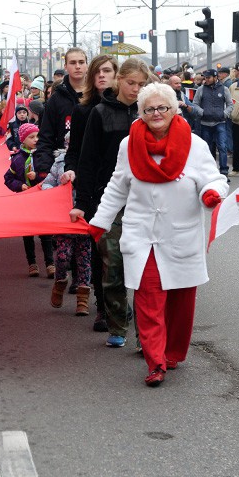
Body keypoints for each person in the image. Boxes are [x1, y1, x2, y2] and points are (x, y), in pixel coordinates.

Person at [87, 83, 228, 387]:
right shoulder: (129, 145)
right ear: (141, 114)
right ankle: (155, 361)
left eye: (162, 107)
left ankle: (173, 352)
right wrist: (100, 221)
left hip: (181, 236)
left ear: (174, 109)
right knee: (148, 299)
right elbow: (117, 186)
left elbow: (212, 178)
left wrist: (211, 193)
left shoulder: (194, 144)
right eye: (148, 109)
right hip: (142, 235)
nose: (155, 114)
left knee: (180, 301)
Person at [71, 58, 150, 348]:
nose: (136, 89)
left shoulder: (150, 113)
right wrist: (83, 202)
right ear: (119, 81)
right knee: (112, 267)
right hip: (109, 200)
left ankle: (148, 336)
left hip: (145, 201)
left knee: (144, 271)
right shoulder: (100, 113)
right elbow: (87, 160)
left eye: (142, 84)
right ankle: (118, 324)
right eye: (131, 83)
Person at [62, 54, 117, 330]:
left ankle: (121, 301)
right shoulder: (84, 111)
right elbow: (77, 152)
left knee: (125, 251)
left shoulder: (129, 108)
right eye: (98, 72)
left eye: (108, 71)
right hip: (96, 187)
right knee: (100, 249)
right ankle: (104, 306)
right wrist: (71, 170)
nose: (103, 76)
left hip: (128, 189)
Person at [41, 147, 92, 315]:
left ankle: (82, 300)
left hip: (85, 220)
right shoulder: (60, 162)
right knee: (63, 256)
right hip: (64, 221)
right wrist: (59, 190)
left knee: (84, 260)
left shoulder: (91, 160)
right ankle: (60, 282)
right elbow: (46, 184)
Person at [3, 123, 54, 278]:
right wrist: (21, 185)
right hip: (25, 202)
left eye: (37, 136)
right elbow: (8, 178)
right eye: (31, 137)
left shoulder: (43, 156)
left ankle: (50, 263)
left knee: (46, 233)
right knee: (28, 233)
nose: (35, 140)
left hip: (41, 201)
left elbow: (50, 175)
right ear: (23, 140)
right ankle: (32, 263)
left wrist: (37, 177)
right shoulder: (18, 159)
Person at [35, 48, 87, 178]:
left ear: (87, 64)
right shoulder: (56, 99)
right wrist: (44, 169)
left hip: (91, 165)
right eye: (73, 62)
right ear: (65, 66)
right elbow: (46, 137)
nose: (78, 66)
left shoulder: (97, 95)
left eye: (81, 62)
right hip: (61, 166)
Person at [193, 69, 233, 176]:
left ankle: (224, 171)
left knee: (222, 147)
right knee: (208, 148)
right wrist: (202, 112)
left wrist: (224, 114)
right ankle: (211, 171)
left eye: (208, 77)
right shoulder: (201, 89)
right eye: (205, 78)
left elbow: (230, 104)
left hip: (220, 123)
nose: (206, 80)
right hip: (205, 123)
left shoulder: (224, 89)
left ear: (215, 78)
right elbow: (195, 104)